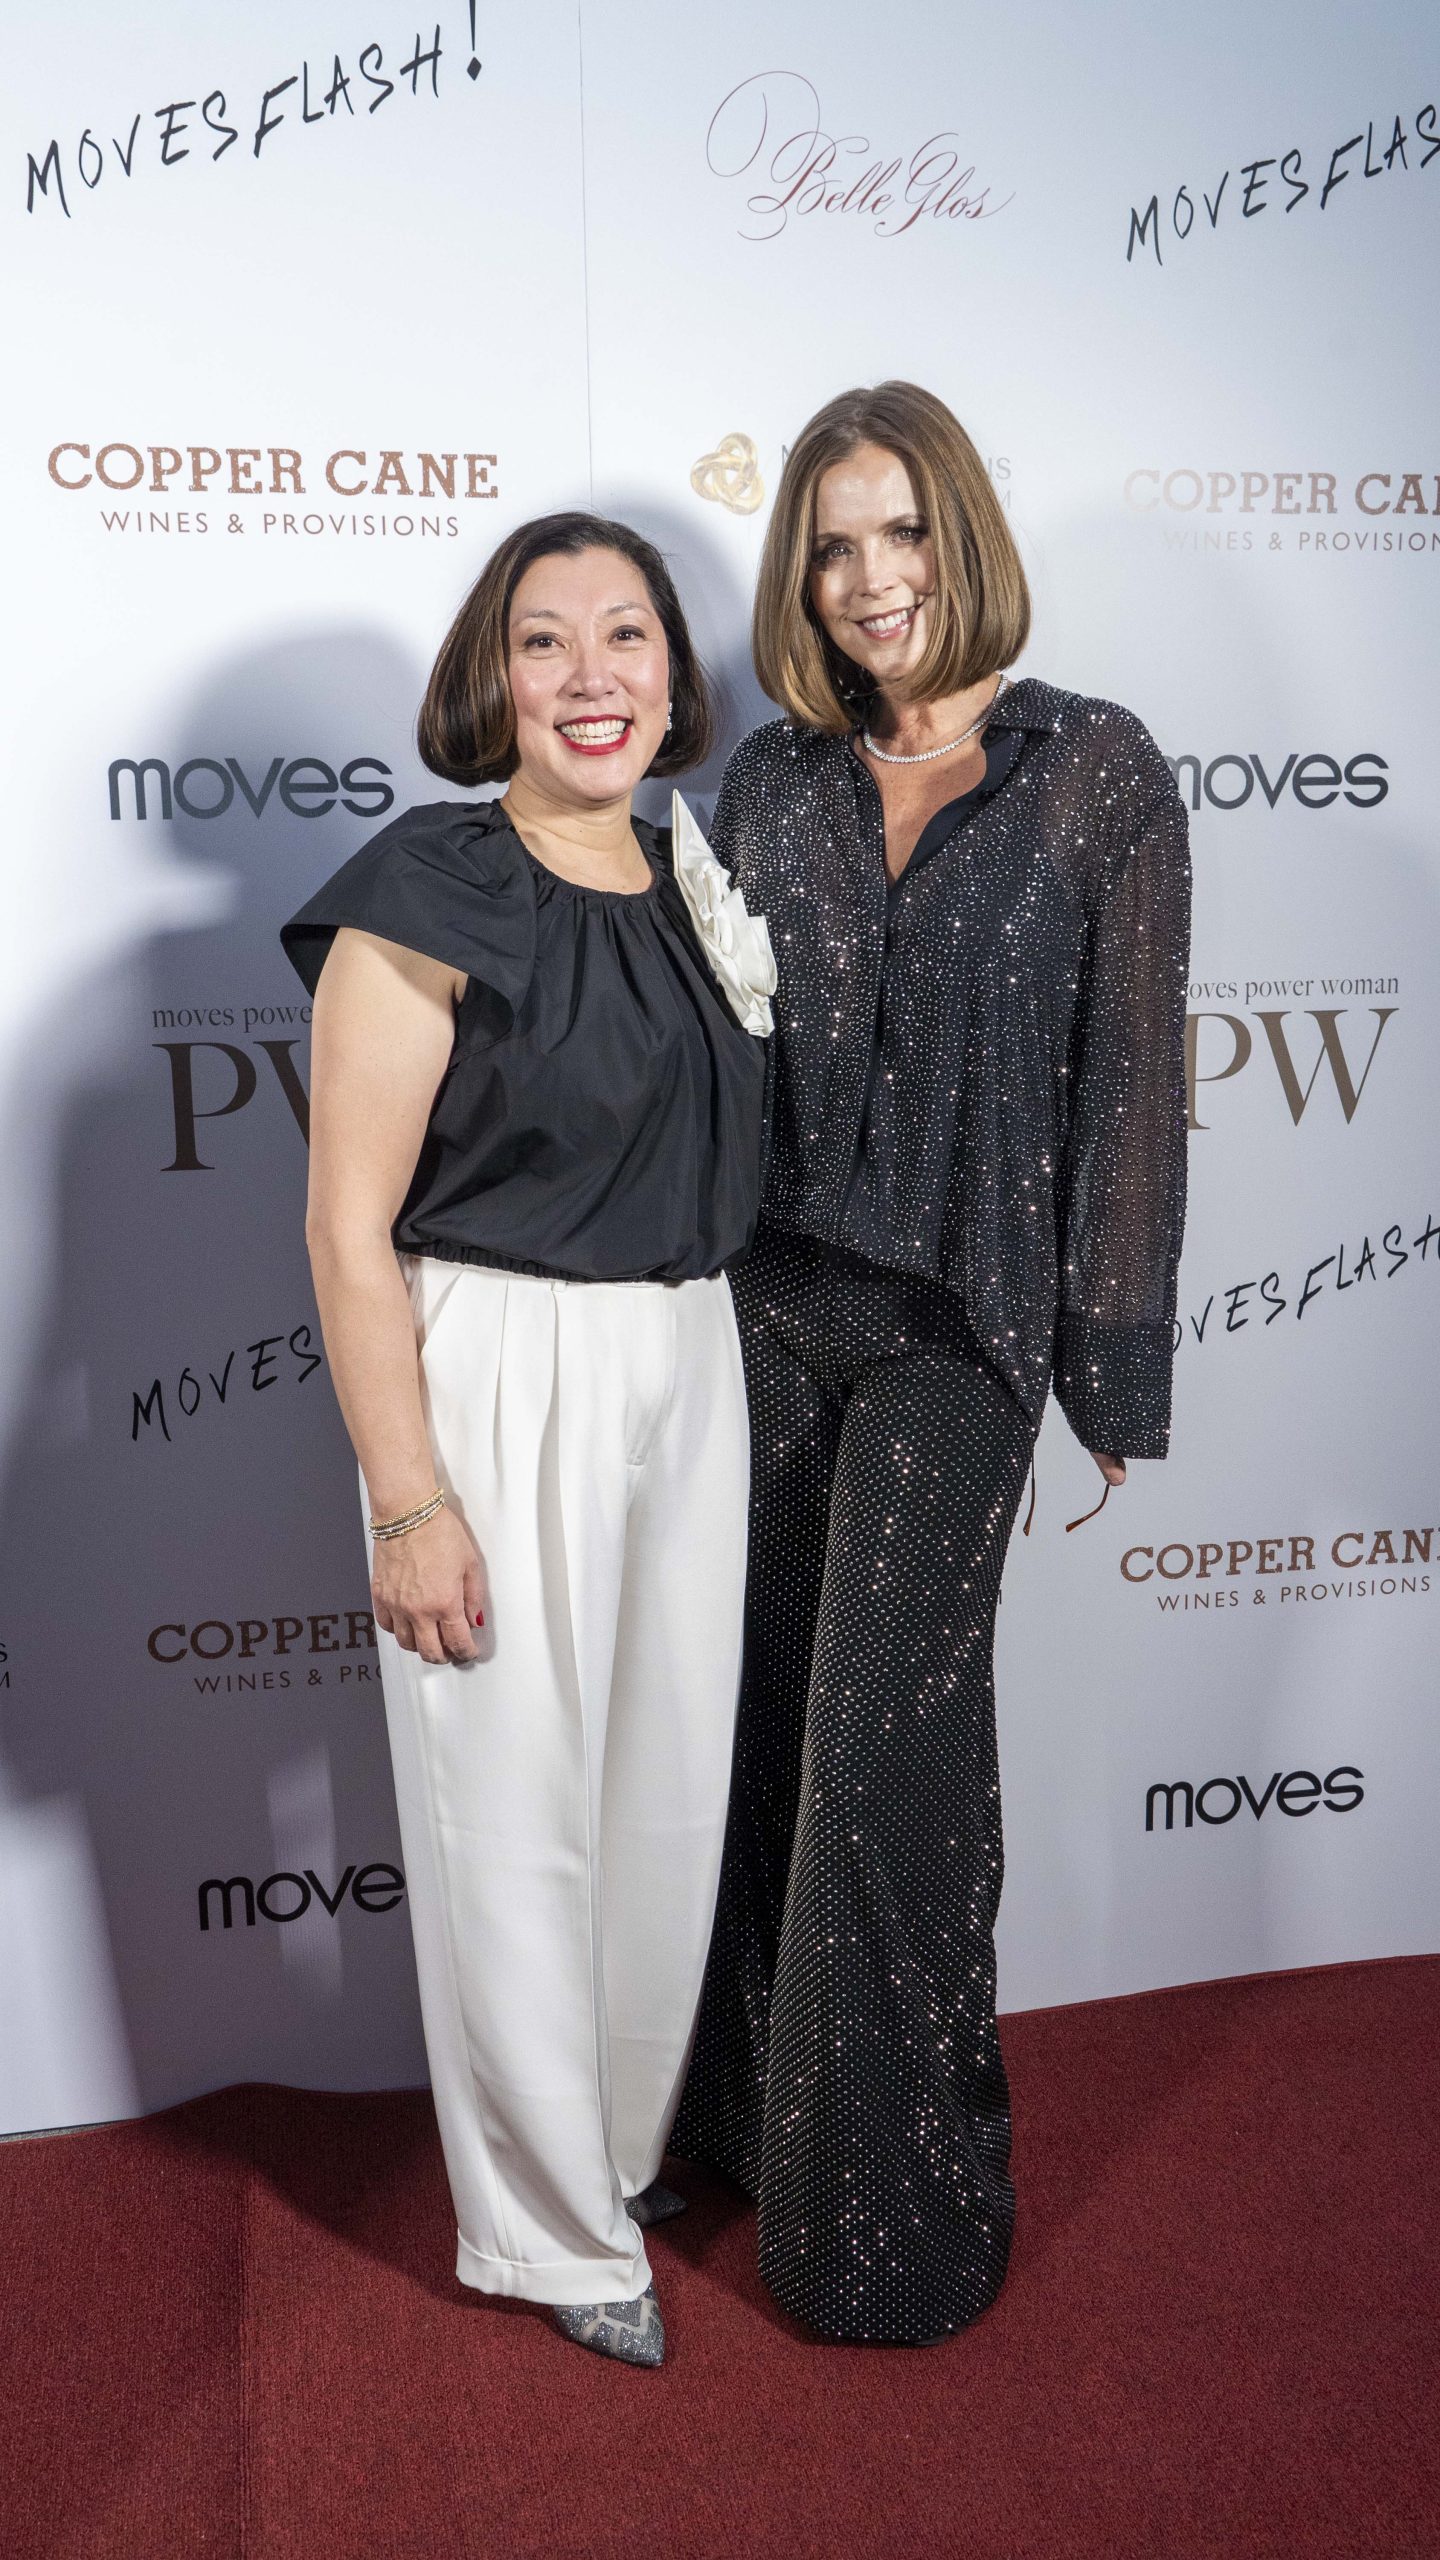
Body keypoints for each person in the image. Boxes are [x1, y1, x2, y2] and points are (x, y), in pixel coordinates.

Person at [673, 382, 1191, 2344]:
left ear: (960, 531)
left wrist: (1112, 1373)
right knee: (762, 1728)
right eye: (832, 544)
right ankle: (743, 2122)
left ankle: (888, 2223)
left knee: (884, 1759)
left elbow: (1129, 1091)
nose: (871, 576)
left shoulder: (1094, 773)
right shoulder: (774, 783)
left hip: (958, 1334)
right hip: (763, 1308)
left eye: (900, 529)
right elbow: (713, 1066)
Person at [281, 513, 772, 2366]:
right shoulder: (430, 881)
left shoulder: (692, 870)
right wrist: (410, 1501)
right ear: (491, 676)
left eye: (625, 634)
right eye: (545, 639)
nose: (590, 677)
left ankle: (617, 2154)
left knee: (661, 1790)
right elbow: (347, 1228)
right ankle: (552, 2238)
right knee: (509, 1809)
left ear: (672, 669)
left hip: (689, 1351)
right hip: (500, 1363)